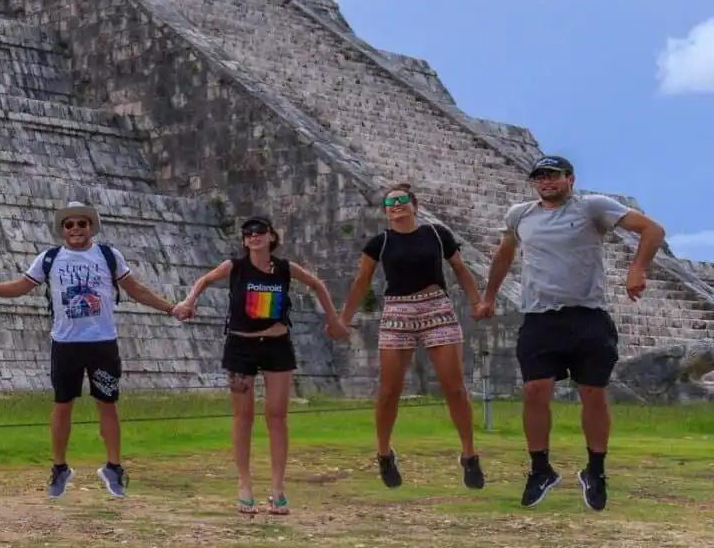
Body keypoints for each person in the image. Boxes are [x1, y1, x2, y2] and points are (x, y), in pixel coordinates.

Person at [475, 155, 665, 511]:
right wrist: (488, 296)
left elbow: (652, 230)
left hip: (588, 316)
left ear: (570, 179)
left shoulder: (592, 207)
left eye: (553, 176)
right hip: (540, 317)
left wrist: (637, 269)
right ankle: (540, 469)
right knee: (534, 390)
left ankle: (595, 469)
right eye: (540, 177)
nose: (546, 182)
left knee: (593, 393)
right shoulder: (520, 215)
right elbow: (504, 255)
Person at [0, 201, 187, 500]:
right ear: (62, 230)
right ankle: (59, 467)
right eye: (69, 224)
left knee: (107, 403)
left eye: (82, 223)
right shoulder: (49, 258)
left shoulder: (108, 255)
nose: (76, 229)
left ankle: (113, 467)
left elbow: (136, 289)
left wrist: (170, 308)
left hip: (102, 342)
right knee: (62, 404)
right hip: (65, 343)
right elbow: (19, 287)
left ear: (91, 227)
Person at [175, 216, 348, 516]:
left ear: (271, 236)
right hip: (241, 346)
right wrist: (189, 301)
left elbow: (317, 284)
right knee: (243, 417)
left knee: (277, 416)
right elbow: (204, 280)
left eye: (259, 232)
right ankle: (244, 485)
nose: (253, 237)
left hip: (276, 345)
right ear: (244, 241)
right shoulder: (235, 267)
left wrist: (333, 320)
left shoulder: (284, 268)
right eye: (248, 234)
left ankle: (278, 488)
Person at [337, 183, 485, 490]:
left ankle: (469, 454)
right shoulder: (380, 242)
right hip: (398, 311)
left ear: (414, 205)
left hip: (436, 306)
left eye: (402, 200)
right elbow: (362, 280)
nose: (395, 205)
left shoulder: (436, 234)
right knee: (389, 390)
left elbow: (460, 268)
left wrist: (476, 302)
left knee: (455, 387)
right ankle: (384, 453)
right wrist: (344, 319)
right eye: (389, 203)